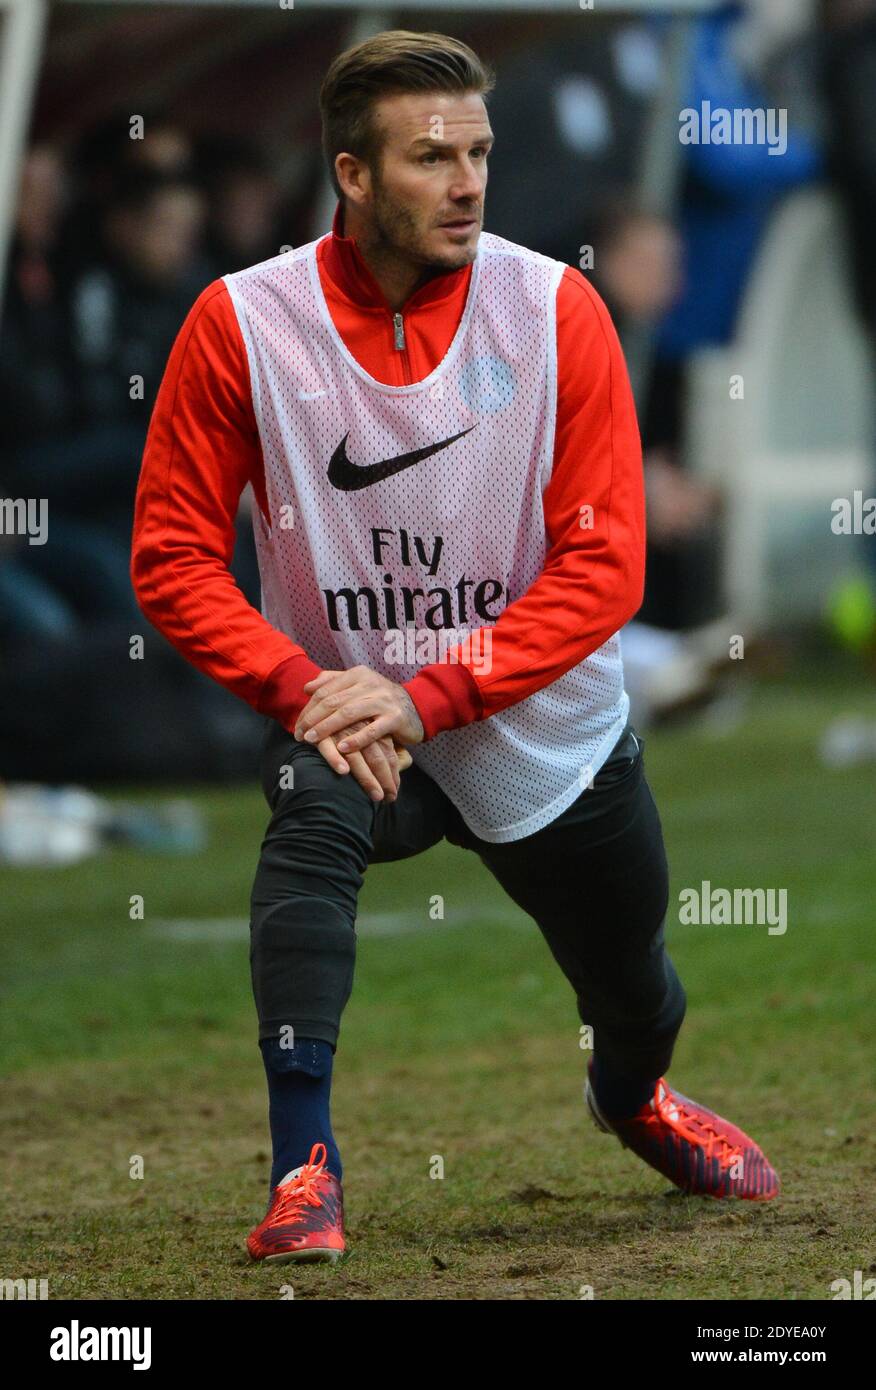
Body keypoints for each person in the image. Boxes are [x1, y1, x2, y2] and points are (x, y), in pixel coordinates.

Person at [131, 30, 780, 1267]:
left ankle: (635, 1097)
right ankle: (303, 1169)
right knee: (306, 818)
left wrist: (429, 696)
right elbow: (169, 555)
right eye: (433, 157)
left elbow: (605, 567)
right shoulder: (241, 325)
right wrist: (305, 690)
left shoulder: (554, 310)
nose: (470, 181)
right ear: (353, 175)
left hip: (539, 724)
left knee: (634, 985)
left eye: (478, 152)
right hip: (355, 722)